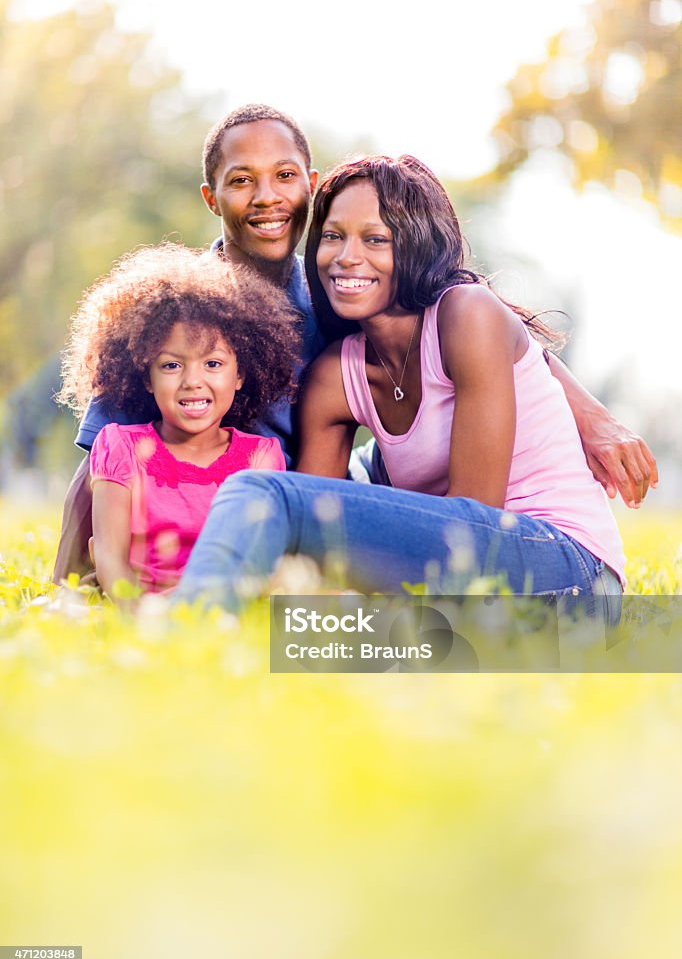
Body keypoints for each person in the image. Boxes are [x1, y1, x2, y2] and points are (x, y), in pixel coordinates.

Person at [52, 104, 657, 583]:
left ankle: (189, 628)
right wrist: (64, 588)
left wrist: (590, 414)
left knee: (324, 486)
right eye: (242, 181)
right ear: (211, 197)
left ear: (307, 185)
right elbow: (104, 454)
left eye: (285, 177)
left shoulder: (339, 300)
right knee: (337, 531)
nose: (267, 196)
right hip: (228, 519)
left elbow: (479, 322)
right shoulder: (181, 312)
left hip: (493, 536)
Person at [176, 155, 629, 622]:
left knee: (262, 495)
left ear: (415, 247)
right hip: (475, 601)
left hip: (571, 574)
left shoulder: (467, 315)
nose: (347, 256)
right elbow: (317, 535)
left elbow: (471, 521)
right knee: (302, 591)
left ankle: (185, 635)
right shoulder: (337, 374)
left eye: (376, 239)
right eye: (333, 236)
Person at [57, 243, 298, 599]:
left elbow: (257, 564)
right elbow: (109, 556)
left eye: (213, 364)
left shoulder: (261, 458)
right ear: (145, 378)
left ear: (241, 374)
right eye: (171, 365)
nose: (192, 381)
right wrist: (143, 617)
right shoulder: (119, 447)